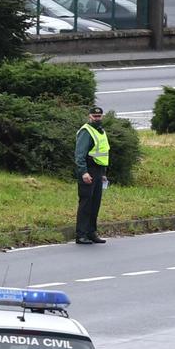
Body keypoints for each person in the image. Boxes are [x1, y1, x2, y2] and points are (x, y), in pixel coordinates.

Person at [74, 105, 110, 245]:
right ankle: (81, 235)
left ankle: (91, 232)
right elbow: (79, 155)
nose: (96, 118)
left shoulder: (101, 131)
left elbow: (103, 153)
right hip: (88, 170)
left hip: (98, 171)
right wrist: (84, 172)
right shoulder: (86, 131)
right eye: (94, 116)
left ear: (102, 116)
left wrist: (103, 173)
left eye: (99, 116)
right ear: (89, 116)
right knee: (86, 204)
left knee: (95, 203)